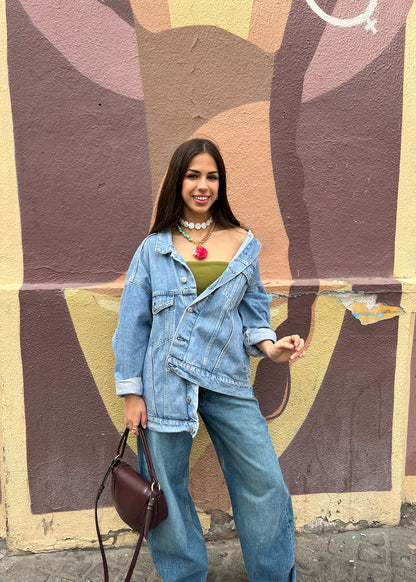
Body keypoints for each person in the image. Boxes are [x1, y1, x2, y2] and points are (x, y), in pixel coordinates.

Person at [112, 138, 305, 581]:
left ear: (221, 183)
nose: (203, 186)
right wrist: (131, 393)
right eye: (193, 175)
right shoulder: (154, 249)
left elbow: (254, 314)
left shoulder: (243, 244)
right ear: (178, 182)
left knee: (264, 483)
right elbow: (132, 325)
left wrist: (272, 348)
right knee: (166, 490)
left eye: (212, 177)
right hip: (164, 383)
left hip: (226, 377)